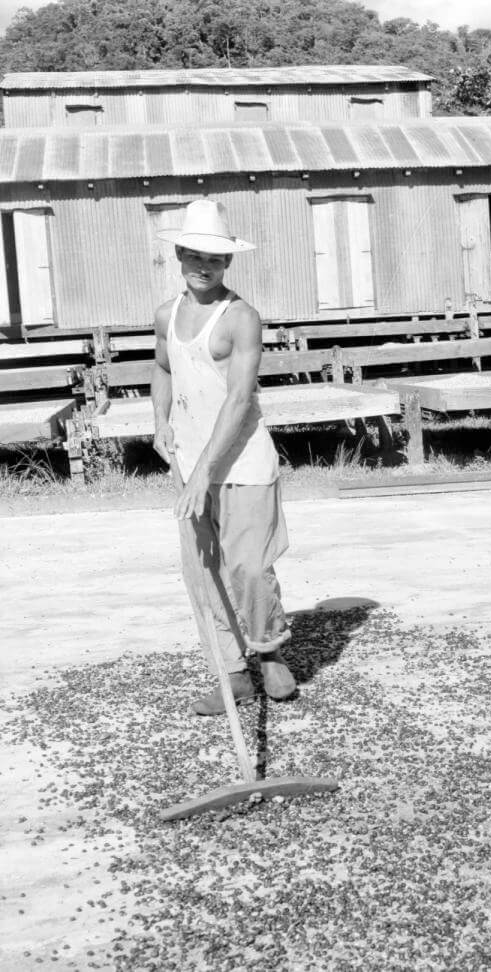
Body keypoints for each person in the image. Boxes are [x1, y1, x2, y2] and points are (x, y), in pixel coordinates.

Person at [150, 199, 296, 716]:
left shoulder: (241, 318)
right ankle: (233, 673)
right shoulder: (167, 315)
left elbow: (238, 400)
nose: (202, 265)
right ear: (179, 256)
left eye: (213, 258)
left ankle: (269, 648)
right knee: (203, 570)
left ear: (227, 262)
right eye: (193, 254)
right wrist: (160, 420)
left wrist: (206, 471)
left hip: (243, 463)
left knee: (249, 568)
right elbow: (165, 369)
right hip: (191, 463)